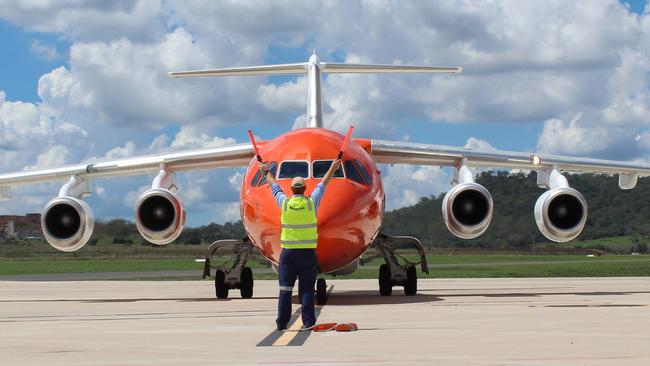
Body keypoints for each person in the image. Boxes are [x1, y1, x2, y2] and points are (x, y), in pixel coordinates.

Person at [258, 158, 342, 331]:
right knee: (307, 290)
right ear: (304, 189)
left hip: (288, 254)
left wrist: (266, 172)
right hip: (307, 254)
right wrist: (333, 168)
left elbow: (275, 187)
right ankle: (309, 322)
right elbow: (323, 184)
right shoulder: (311, 203)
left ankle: (281, 323)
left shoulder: (285, 203)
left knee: (285, 290)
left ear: (291, 189)